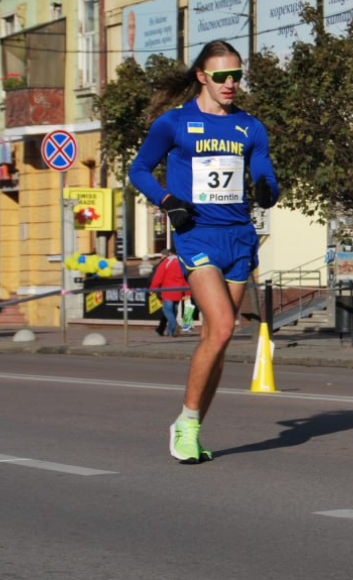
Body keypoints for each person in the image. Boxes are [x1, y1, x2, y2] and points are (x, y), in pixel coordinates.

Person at [129, 39, 280, 465]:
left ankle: (190, 426)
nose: (231, 84)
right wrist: (166, 200)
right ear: (202, 77)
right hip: (197, 236)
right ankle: (188, 423)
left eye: (237, 76)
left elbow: (265, 174)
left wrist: (268, 188)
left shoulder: (249, 126)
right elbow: (138, 170)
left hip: (239, 238)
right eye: (221, 77)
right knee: (225, 327)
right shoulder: (173, 123)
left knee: (217, 338)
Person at [150, 247, 189, 337]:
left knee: (167, 310)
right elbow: (185, 278)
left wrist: (153, 288)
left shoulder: (166, 262)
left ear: (170, 253)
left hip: (167, 290)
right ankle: (171, 332)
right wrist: (187, 292)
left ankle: (174, 325)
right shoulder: (182, 263)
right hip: (178, 290)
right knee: (174, 310)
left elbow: (158, 277)